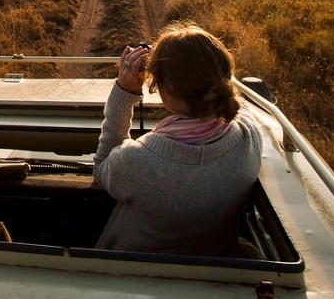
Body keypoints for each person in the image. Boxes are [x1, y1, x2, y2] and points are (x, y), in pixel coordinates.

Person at [93, 22, 262, 256]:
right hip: (214, 264)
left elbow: (102, 169)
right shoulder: (248, 137)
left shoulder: (137, 161)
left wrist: (123, 91)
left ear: (168, 93)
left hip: (135, 271)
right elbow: (237, 103)